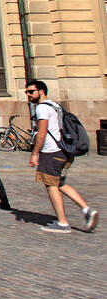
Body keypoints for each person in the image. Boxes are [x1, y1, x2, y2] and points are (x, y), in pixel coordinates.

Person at [25, 80, 98, 234]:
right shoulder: (55, 105)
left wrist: (35, 153)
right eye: (27, 92)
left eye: (31, 92)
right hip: (65, 149)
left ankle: (63, 223)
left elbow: (42, 133)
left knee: (51, 185)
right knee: (59, 182)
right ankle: (87, 210)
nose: (28, 95)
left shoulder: (42, 108)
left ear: (41, 92)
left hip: (51, 151)